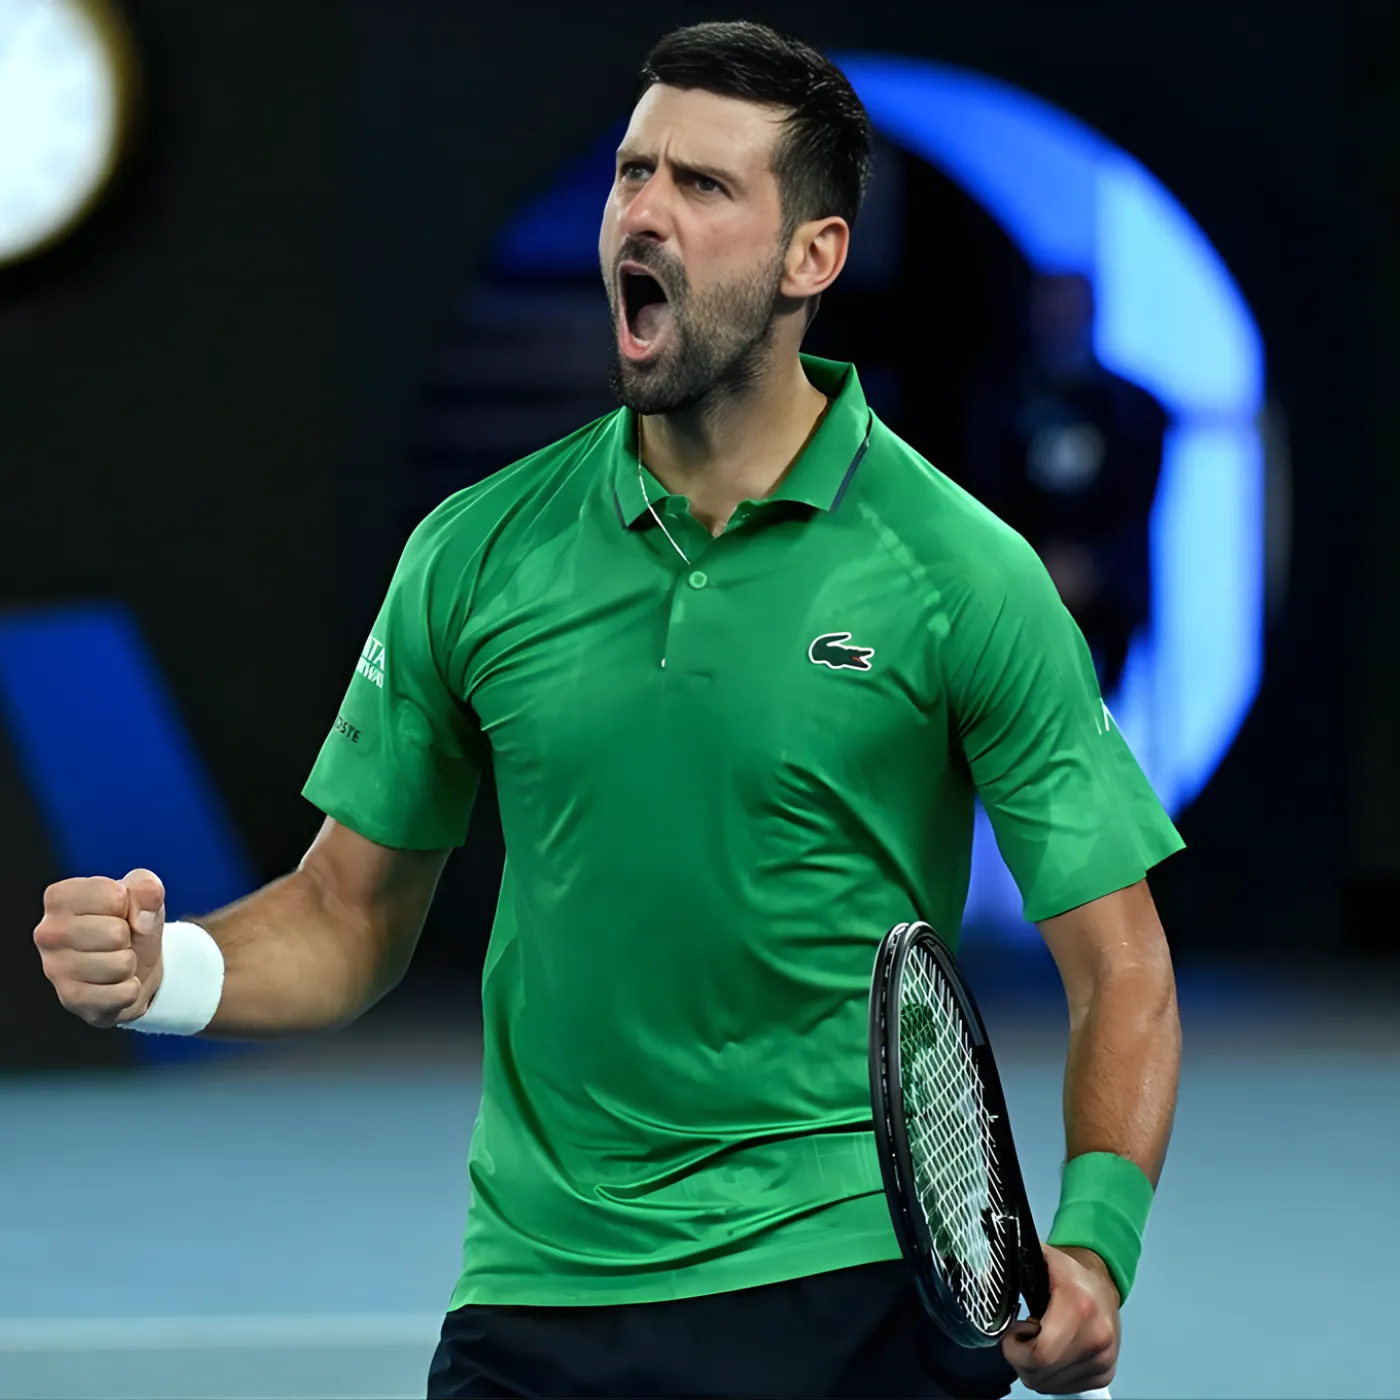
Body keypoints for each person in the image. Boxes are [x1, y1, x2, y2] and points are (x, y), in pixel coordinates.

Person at [32, 22, 1182, 1400]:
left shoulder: (961, 572)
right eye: (633, 171)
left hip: (847, 1283)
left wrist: (1095, 1245)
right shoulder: (473, 552)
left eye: (703, 184)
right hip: (537, 1293)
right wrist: (166, 973)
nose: (643, 210)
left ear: (812, 257)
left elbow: (1121, 965)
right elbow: (346, 915)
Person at [961, 273, 1169, 696]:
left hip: (1109, 606)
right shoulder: (992, 408)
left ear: (1091, 312)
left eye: (1071, 309)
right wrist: (1037, 568)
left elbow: (1137, 515)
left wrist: (1093, 568)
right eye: (1050, 308)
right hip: (1010, 603)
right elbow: (979, 505)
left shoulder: (1136, 411)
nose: (1060, 320)